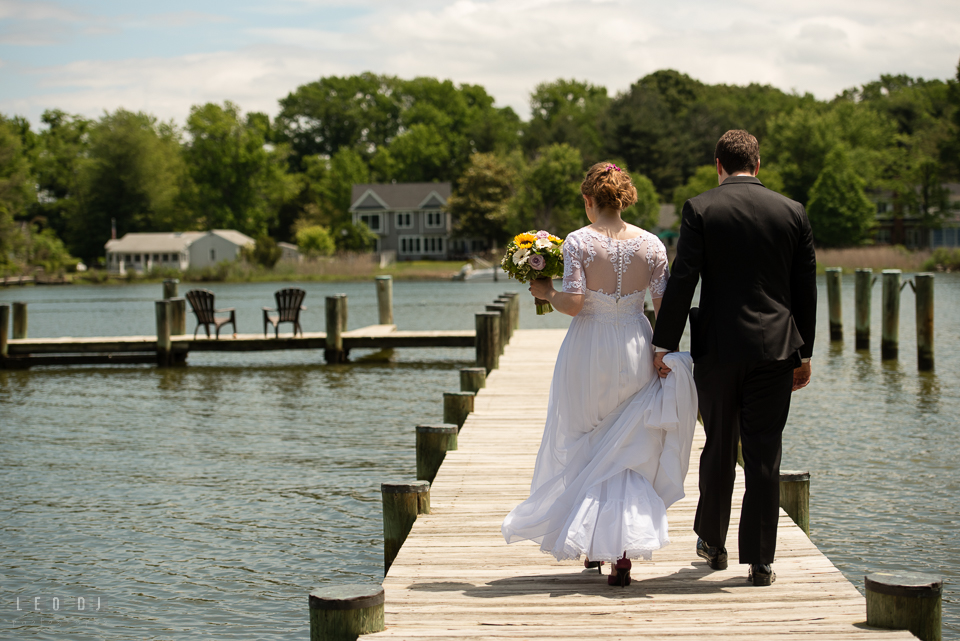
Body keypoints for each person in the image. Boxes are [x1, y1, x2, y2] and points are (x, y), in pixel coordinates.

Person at [501, 162, 699, 587]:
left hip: (589, 347)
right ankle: (621, 553)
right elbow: (665, 308)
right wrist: (662, 352)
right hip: (635, 343)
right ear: (624, 198)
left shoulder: (579, 242)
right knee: (629, 445)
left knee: (586, 439)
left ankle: (592, 542)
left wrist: (546, 291)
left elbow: (573, 303)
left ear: (589, 201)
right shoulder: (652, 245)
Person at [651, 130, 817, 586]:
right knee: (764, 453)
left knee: (720, 445)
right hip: (776, 349)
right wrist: (804, 352)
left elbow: (684, 279)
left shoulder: (701, 208)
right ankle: (761, 560)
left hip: (719, 349)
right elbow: (806, 289)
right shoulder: (793, 212)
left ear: (718, 165)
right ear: (757, 164)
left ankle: (713, 541)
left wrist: (663, 343)